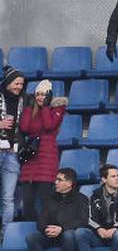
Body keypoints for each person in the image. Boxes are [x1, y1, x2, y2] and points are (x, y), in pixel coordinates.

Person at [17, 80, 66, 221]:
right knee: (28, 202)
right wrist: (28, 108)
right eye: (37, 94)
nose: (40, 97)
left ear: (49, 95)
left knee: (45, 200)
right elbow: (25, 128)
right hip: (31, 156)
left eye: (43, 94)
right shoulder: (32, 109)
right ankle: (32, 227)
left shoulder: (58, 108)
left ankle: (44, 228)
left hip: (47, 157)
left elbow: (49, 125)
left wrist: (45, 107)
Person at [26, 168, 86, 251]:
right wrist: (46, 229)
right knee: (31, 238)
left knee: (68, 235)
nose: (56, 182)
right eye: (56, 179)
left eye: (60, 180)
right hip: (50, 235)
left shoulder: (81, 199)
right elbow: (42, 218)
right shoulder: (50, 198)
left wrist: (62, 229)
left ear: (69, 183)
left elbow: (83, 221)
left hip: (67, 234)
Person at [0, 66, 25, 226]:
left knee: (8, 198)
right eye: (16, 83)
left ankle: (5, 236)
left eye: (21, 84)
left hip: (12, 153)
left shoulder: (22, 100)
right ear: (8, 82)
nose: (19, 87)